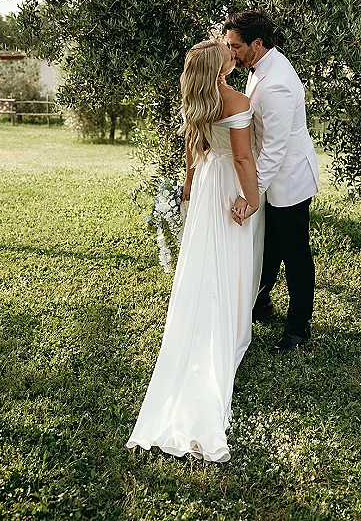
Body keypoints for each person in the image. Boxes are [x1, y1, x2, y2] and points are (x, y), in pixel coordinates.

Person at [126, 40, 265, 463]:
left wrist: (189, 182)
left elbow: (193, 146)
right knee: (231, 258)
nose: (231, 51)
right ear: (219, 66)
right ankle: (230, 325)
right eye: (226, 50)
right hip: (227, 185)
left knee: (205, 256)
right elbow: (242, 159)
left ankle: (209, 317)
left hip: (205, 182)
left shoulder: (197, 99)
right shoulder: (236, 99)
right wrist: (253, 197)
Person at [225, 11, 319, 356]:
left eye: (236, 46)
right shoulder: (262, 68)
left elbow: (275, 150)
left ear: (257, 44)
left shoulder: (277, 82)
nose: (231, 52)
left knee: (294, 254)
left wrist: (249, 195)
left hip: (289, 179)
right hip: (270, 175)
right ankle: (261, 303)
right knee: (269, 247)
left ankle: (298, 328)